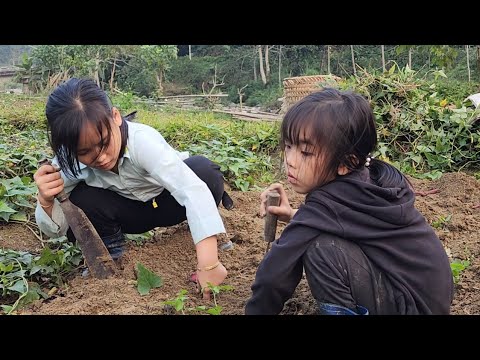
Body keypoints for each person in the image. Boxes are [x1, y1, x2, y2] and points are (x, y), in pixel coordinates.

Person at [245, 88, 453, 315]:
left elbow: (274, 276)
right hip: (428, 297)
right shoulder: (372, 179)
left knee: (322, 249)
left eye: (305, 152)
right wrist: (295, 215)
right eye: (288, 146)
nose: (290, 161)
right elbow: (352, 224)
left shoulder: (326, 205)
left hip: (410, 305)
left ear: (345, 162)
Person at [33, 78, 232, 299]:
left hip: (169, 203)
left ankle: (207, 233)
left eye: (103, 142)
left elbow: (191, 190)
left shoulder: (142, 142)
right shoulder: (67, 162)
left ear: (115, 117)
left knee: (204, 172)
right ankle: (110, 254)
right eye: (85, 152)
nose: (101, 156)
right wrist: (45, 201)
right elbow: (58, 228)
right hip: (128, 215)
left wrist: (209, 265)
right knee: (81, 198)